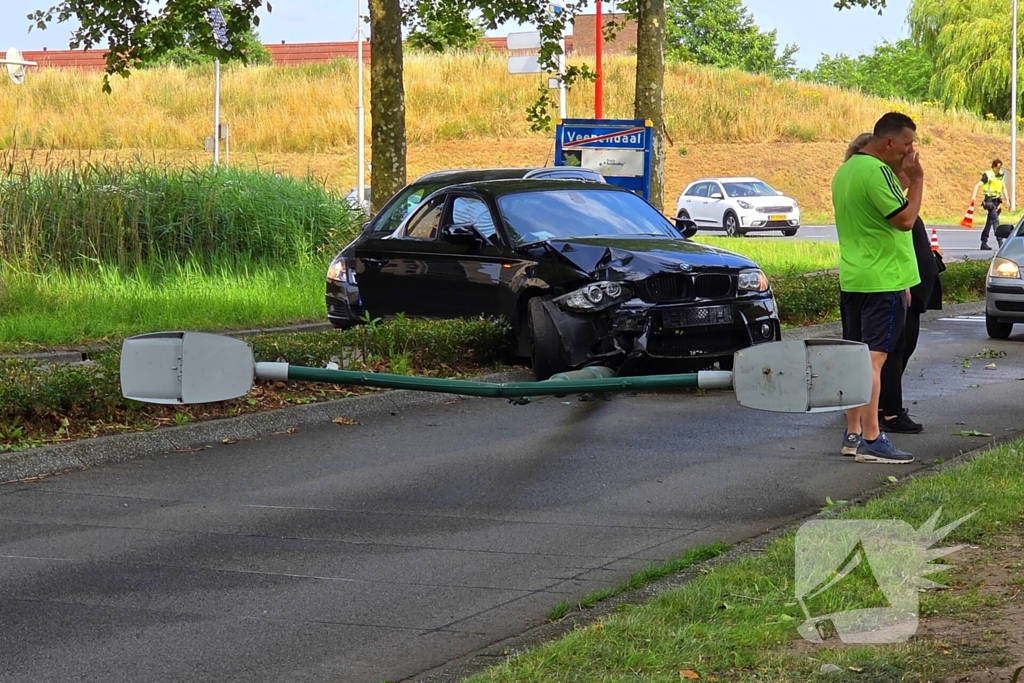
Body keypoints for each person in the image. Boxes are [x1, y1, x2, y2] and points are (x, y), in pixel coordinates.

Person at [832, 113, 922, 464]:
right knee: (874, 360)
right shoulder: (876, 171)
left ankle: (853, 432)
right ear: (889, 143)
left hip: (855, 278)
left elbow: (876, 211)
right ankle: (872, 436)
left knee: (855, 360)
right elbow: (904, 220)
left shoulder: (848, 170)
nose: (911, 151)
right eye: (908, 143)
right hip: (881, 281)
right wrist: (917, 181)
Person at [843, 134, 944, 435]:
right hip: (882, 284)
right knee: (879, 356)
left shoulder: (857, 179)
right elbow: (903, 226)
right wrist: (918, 180)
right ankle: (875, 427)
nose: (909, 163)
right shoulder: (875, 183)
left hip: (882, 282)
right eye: (904, 158)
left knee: (877, 355)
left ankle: (862, 422)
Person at [971, 159, 1008, 250]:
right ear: (994, 166)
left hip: (997, 201)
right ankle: (1000, 242)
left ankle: (984, 242)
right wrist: (973, 196)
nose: (999, 169)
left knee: (990, 222)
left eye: (1000, 167)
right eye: (998, 167)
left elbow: (1003, 187)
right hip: (989, 201)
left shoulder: (1000, 175)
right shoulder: (987, 175)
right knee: (995, 220)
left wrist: (1007, 200)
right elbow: (977, 185)